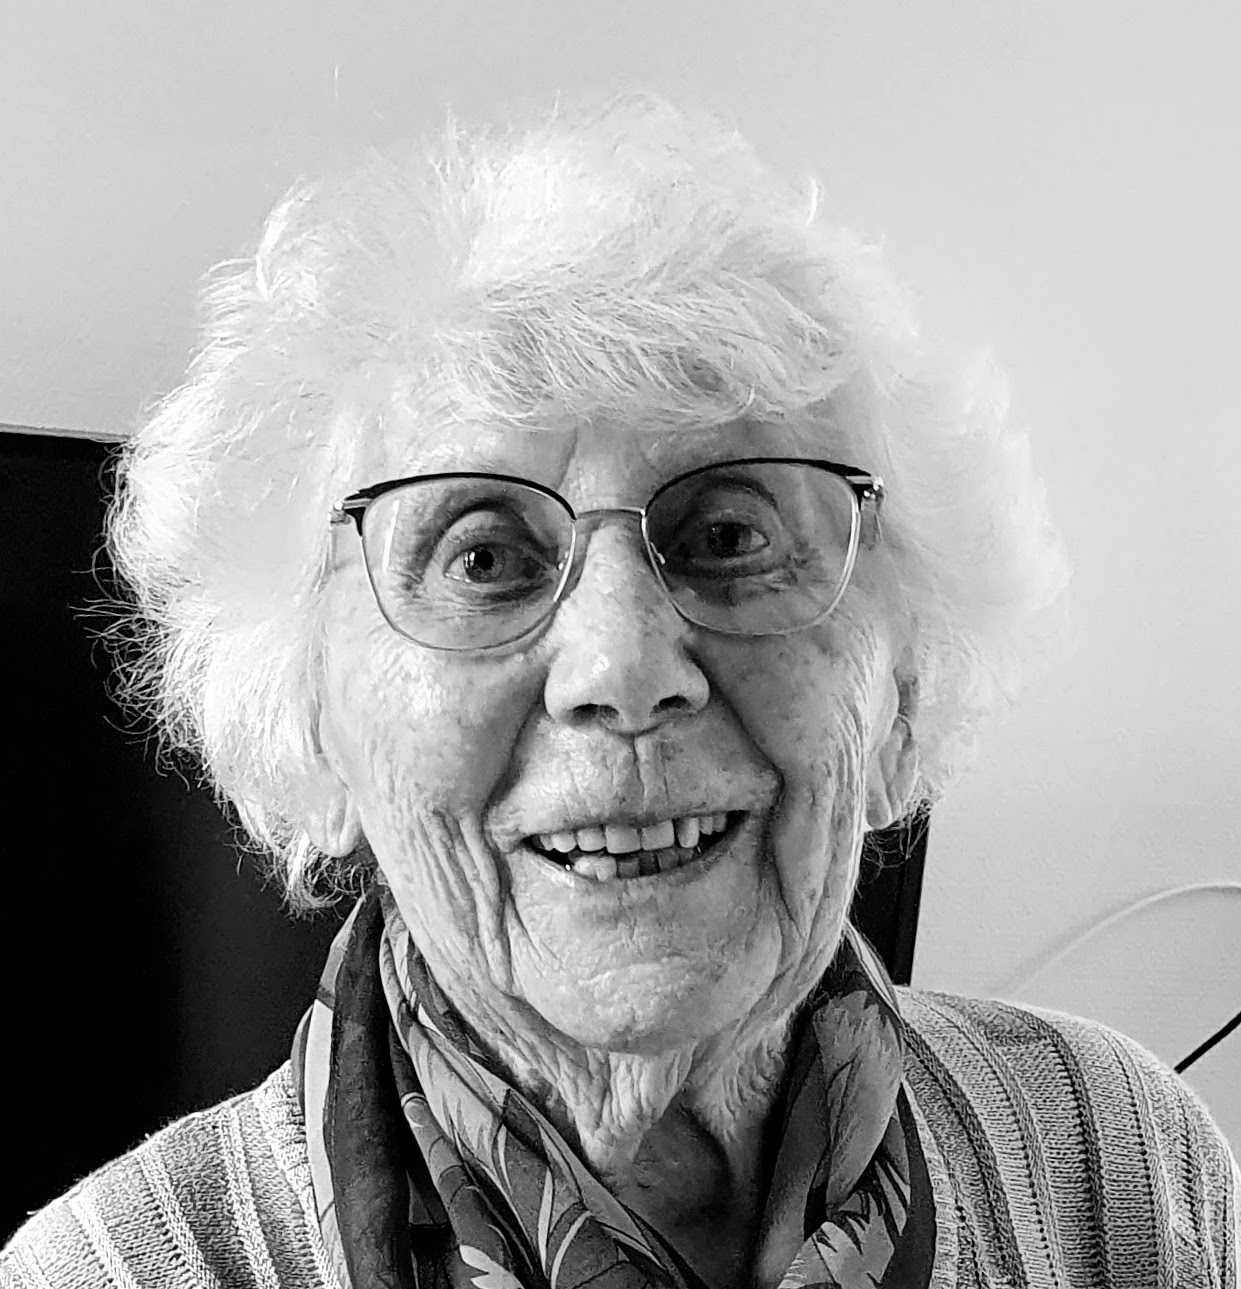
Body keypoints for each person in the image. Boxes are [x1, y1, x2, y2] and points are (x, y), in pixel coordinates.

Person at [4, 93, 1236, 1289]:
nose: (624, 668)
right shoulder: (109, 1271)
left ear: (900, 692)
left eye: (728, 536)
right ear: (311, 726)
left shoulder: (1117, 1161)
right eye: (482, 558)